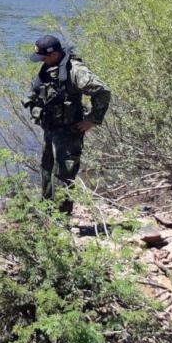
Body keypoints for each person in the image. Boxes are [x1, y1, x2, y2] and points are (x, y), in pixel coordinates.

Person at [23, 34, 111, 214]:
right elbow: (37, 91)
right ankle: (47, 212)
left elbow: (103, 91)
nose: (41, 60)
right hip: (50, 129)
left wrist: (92, 119)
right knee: (47, 169)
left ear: (54, 54)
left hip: (69, 131)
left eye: (43, 57)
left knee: (64, 174)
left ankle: (62, 219)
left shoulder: (75, 70)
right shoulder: (49, 66)